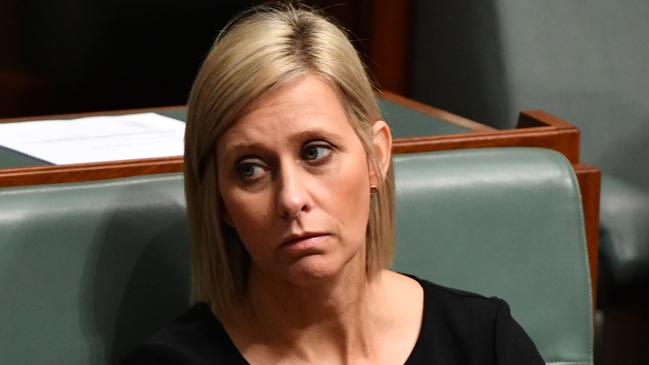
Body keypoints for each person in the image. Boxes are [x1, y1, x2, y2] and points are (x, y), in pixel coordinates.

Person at [123, 3, 544, 364]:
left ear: (376, 156)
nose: (291, 199)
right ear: (218, 200)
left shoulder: (483, 343)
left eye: (314, 152)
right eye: (250, 169)